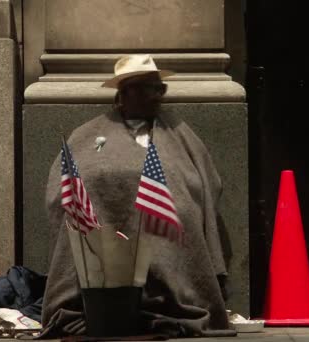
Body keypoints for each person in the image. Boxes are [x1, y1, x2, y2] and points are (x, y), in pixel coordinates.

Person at [40, 55, 233, 337]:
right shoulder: (89, 133)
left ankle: (171, 298)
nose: (155, 96)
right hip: (102, 208)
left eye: (159, 89)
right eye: (145, 88)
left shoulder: (177, 131)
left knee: (180, 209)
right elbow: (66, 181)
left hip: (164, 209)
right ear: (122, 96)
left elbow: (204, 179)